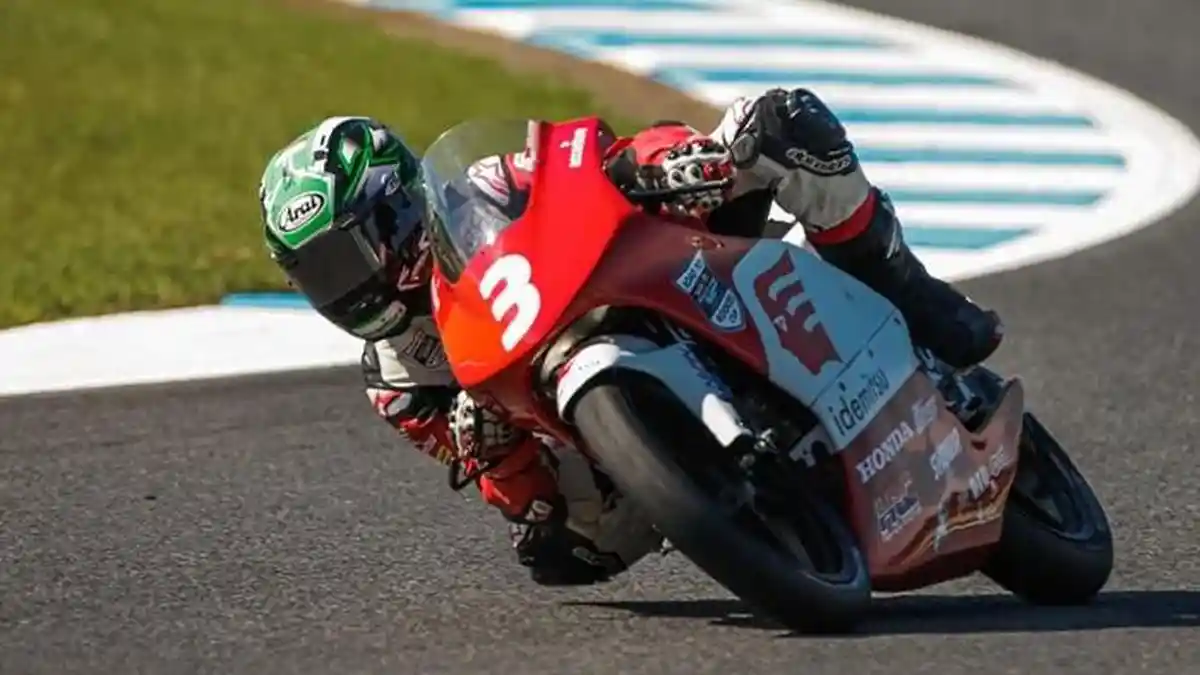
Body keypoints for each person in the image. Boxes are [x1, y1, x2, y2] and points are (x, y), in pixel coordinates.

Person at [256, 88, 1004, 587]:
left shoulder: (480, 185)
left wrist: (678, 163)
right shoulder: (398, 377)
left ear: (395, 212)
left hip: (661, 271)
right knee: (557, 554)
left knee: (778, 122)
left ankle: (899, 282)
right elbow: (515, 493)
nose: (342, 288)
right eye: (316, 275)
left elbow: (593, 165)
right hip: (587, 436)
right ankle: (720, 492)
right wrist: (491, 450)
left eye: (343, 258)